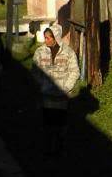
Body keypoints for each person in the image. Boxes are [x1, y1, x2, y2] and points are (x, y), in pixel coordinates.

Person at [31, 22, 79, 154]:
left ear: (56, 38)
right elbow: (35, 71)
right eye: (45, 37)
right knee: (47, 123)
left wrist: (66, 87)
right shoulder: (40, 52)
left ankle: (59, 146)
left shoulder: (69, 53)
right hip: (46, 97)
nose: (45, 40)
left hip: (61, 98)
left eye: (48, 37)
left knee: (61, 124)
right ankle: (48, 146)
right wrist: (41, 84)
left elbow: (74, 72)